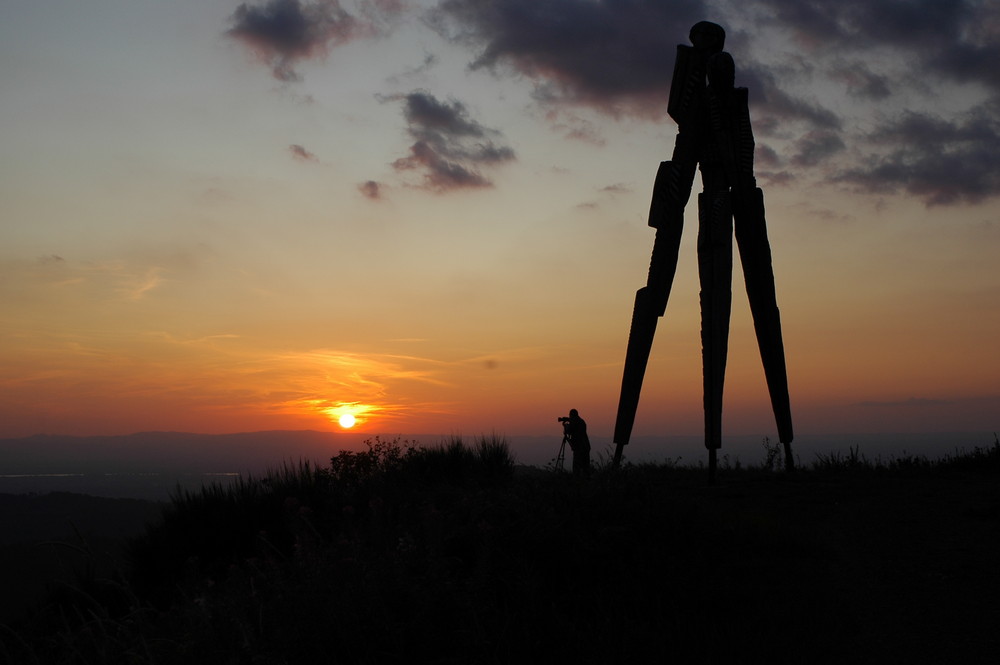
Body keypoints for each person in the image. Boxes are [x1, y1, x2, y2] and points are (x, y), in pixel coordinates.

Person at [565, 409, 591, 476]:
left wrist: (566, 427)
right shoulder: (581, 421)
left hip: (579, 448)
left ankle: (577, 482)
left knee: (577, 467)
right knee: (585, 467)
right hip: (585, 447)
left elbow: (568, 431)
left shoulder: (574, 422)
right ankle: (586, 481)